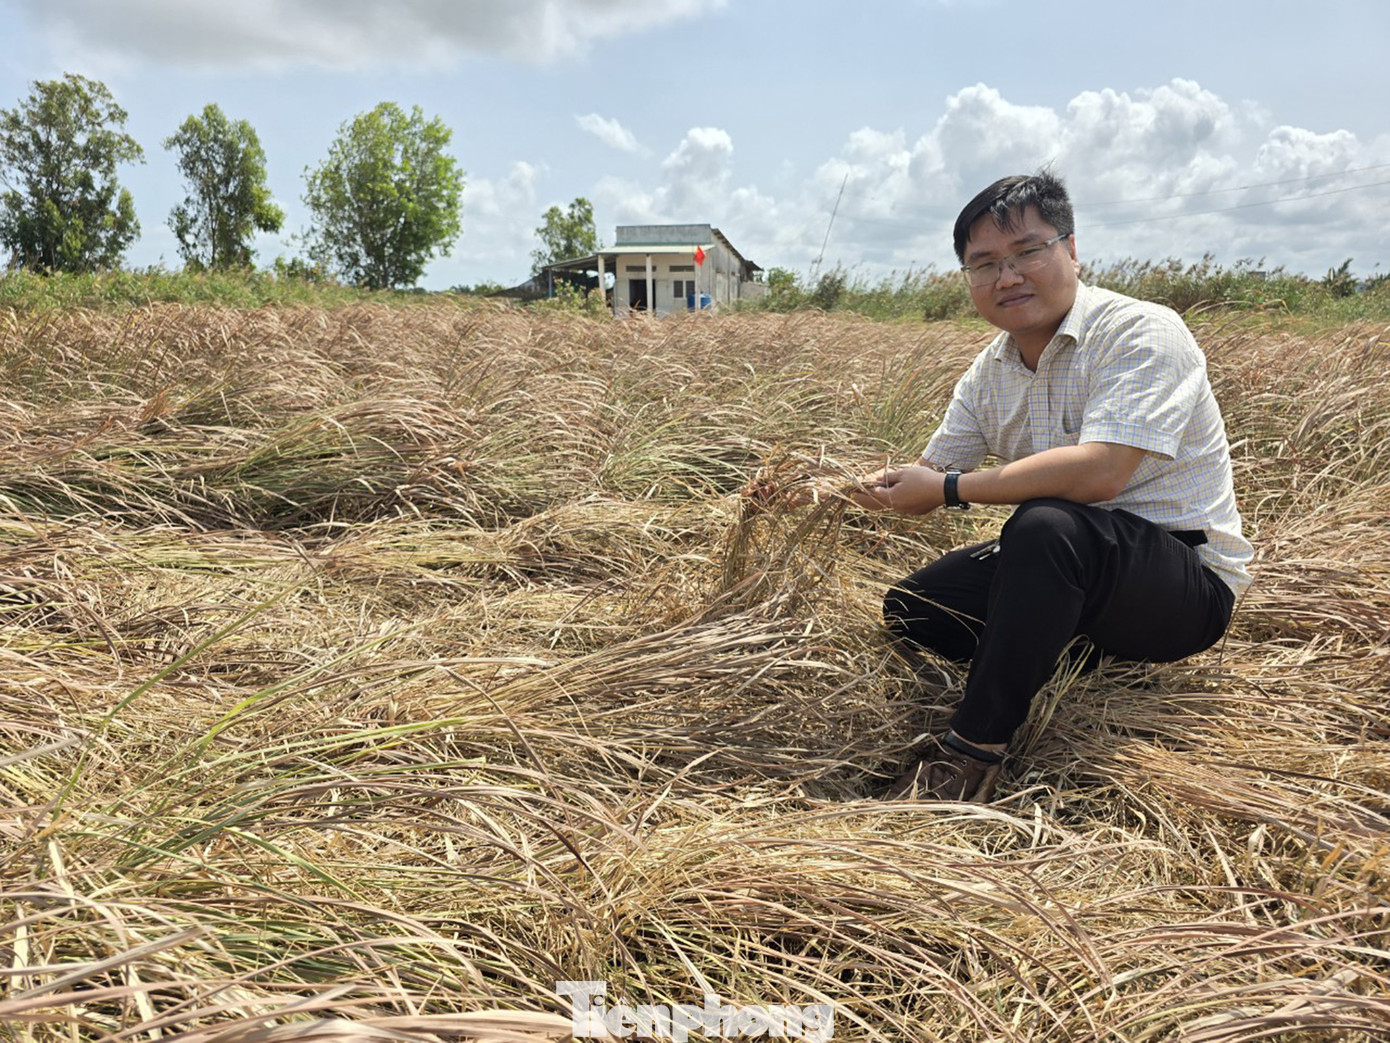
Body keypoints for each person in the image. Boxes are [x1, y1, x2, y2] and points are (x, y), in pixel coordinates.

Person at [821, 170, 1252, 801]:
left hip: (1181, 585)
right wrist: (818, 494)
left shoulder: (1141, 331)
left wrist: (948, 490)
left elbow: (1101, 472)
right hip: (1067, 565)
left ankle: (973, 755)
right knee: (915, 607)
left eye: (1027, 251)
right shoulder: (990, 369)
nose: (1007, 276)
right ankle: (1063, 646)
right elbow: (926, 472)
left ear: (1072, 250)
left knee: (1047, 523)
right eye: (984, 264)